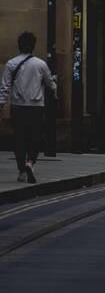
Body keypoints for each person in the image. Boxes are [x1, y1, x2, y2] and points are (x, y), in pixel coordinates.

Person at [0, 32, 57, 183]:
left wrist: (1, 104)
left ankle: (21, 172)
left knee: (19, 138)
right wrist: (54, 84)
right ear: (33, 46)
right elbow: (50, 86)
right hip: (36, 107)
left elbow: (4, 88)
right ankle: (30, 163)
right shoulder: (40, 64)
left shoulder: (11, 64)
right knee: (35, 138)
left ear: (19, 46)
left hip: (18, 107)